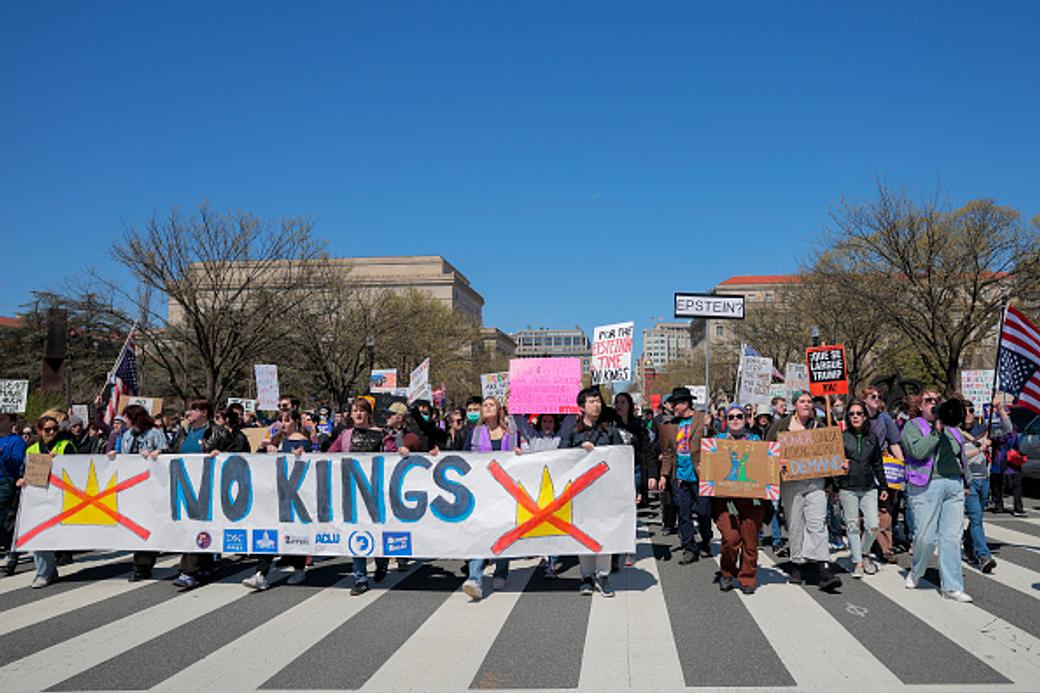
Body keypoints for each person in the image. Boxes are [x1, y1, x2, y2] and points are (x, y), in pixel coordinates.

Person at [315, 398, 394, 595]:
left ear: (368, 413)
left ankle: (381, 561)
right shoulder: (345, 435)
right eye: (354, 410)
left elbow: (393, 457)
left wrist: (398, 449)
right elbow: (330, 454)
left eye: (362, 410)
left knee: (377, 531)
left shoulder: (383, 435)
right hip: (351, 491)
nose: (358, 414)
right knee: (356, 534)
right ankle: (360, 577)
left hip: (375, 492)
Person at [901, 390, 973, 603]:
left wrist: (966, 481)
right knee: (925, 537)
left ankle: (952, 586)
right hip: (926, 485)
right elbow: (919, 452)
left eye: (936, 400)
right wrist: (935, 432)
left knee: (951, 537)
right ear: (920, 406)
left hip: (953, 484)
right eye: (928, 400)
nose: (933, 403)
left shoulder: (953, 428)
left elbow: (961, 456)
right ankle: (916, 571)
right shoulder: (912, 426)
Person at [767, 392, 842, 591]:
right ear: (795, 405)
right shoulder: (780, 427)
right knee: (795, 523)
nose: (807, 404)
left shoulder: (822, 427)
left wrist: (834, 484)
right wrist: (777, 461)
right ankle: (797, 563)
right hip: (791, 482)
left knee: (817, 522)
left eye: (809, 401)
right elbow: (767, 452)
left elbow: (832, 455)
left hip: (816, 482)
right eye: (802, 401)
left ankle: (824, 566)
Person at [559, 386, 623, 597]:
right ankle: (586, 576)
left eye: (598, 401)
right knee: (583, 534)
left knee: (605, 533)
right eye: (592, 401)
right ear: (581, 407)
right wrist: (578, 452)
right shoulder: (572, 432)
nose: (596, 405)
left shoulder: (610, 431)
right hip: (580, 493)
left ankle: (603, 575)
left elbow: (622, 458)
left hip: (605, 492)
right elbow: (560, 459)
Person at [462, 397, 521, 600]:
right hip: (481, 491)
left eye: (491, 404)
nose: (487, 407)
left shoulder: (512, 434)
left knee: (503, 530)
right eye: (484, 405)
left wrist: (519, 454)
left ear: (499, 409)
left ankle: (501, 571)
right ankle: (475, 577)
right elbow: (462, 458)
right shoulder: (474, 433)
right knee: (479, 533)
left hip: (505, 492)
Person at [713, 403, 766, 594]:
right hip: (726, 500)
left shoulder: (756, 441)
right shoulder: (717, 441)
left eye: (739, 416)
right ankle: (727, 572)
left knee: (750, 542)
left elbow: (765, 465)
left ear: (746, 419)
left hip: (752, 499)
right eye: (731, 417)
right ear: (725, 421)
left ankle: (747, 578)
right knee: (730, 538)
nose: (735, 420)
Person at [20, 415, 77, 587]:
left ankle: (50, 570)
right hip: (39, 498)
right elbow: (26, 473)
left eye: (54, 429)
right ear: (39, 431)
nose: (51, 432)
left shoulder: (66, 446)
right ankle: (43, 573)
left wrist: (59, 462)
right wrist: (22, 480)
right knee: (38, 534)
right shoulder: (32, 449)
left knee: (54, 536)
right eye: (47, 429)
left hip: (61, 497)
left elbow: (77, 468)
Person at [837, 401, 887, 579]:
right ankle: (858, 562)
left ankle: (864, 553)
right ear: (848, 417)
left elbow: (878, 464)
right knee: (851, 526)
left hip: (869, 488)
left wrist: (883, 485)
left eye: (859, 413)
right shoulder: (842, 437)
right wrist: (838, 471)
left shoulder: (872, 438)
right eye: (851, 414)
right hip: (848, 487)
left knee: (873, 525)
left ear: (865, 416)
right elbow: (832, 463)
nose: (855, 416)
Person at [667, 387, 711, 565]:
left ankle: (706, 539)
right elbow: (669, 450)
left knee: (703, 511)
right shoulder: (672, 423)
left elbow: (714, 442)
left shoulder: (701, 419)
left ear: (685, 404)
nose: (673, 407)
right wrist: (665, 474)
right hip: (680, 476)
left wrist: (710, 427)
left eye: (675, 404)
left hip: (700, 474)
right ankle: (689, 548)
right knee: (683, 513)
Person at [862, 386, 904, 562]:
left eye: (879, 396)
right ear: (864, 399)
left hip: (882, 468)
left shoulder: (885, 419)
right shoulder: (856, 417)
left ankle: (886, 549)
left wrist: (901, 465)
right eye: (872, 396)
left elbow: (894, 443)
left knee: (885, 508)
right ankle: (866, 545)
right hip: (862, 468)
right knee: (864, 510)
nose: (876, 399)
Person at [961, 398, 1001, 574]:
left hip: (984, 479)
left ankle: (968, 544)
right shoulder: (956, 432)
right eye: (965, 411)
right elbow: (961, 456)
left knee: (977, 518)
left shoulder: (983, 429)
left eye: (971, 410)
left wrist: (999, 410)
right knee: (976, 518)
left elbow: (1007, 429)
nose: (969, 414)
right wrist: (981, 448)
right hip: (968, 482)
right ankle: (984, 556)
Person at [987, 399, 1024, 516]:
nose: (1006, 415)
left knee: (1017, 483)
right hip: (1000, 458)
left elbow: (1015, 441)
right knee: (997, 482)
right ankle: (998, 505)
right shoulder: (995, 428)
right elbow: (993, 440)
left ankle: (1018, 508)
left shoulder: (1012, 427)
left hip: (1012, 457)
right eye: (1004, 413)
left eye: (1007, 413)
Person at [0, 412, 26, 577]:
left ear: (11, 422)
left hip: (6, 483)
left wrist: (2, 453)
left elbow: (17, 461)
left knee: (5, 520)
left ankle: (12, 551)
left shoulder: (16, 441)